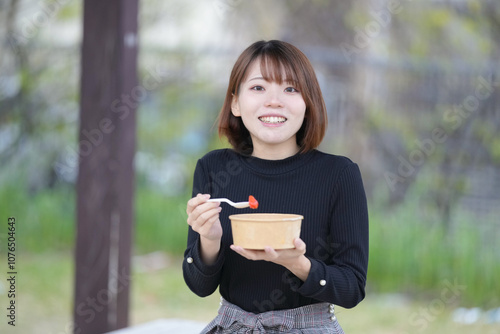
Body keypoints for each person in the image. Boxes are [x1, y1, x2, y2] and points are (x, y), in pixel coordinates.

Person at [183, 40, 369, 333]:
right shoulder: (214, 168)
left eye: (291, 89)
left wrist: (298, 264)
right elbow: (199, 286)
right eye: (258, 88)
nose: (274, 100)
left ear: (308, 103)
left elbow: (352, 289)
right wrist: (209, 238)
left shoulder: (338, 175)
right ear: (235, 103)